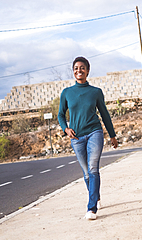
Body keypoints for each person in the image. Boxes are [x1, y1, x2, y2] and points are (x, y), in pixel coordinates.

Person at [58, 56, 118, 220]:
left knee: (93, 169)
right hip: (76, 137)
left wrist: (112, 136)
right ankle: (96, 197)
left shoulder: (96, 92)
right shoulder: (67, 93)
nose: (79, 70)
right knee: (86, 173)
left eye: (82, 68)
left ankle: (91, 209)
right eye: (76, 68)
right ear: (73, 71)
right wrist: (66, 129)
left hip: (94, 132)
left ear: (88, 71)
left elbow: (104, 114)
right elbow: (60, 115)